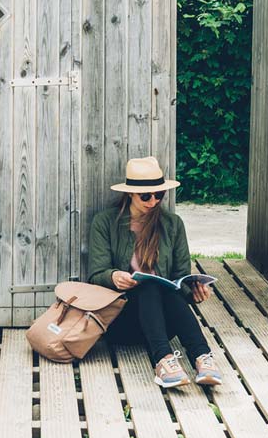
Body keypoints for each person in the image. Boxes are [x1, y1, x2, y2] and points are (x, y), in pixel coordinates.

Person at [85, 156, 223, 389]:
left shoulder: (172, 224)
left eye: (159, 195)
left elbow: (181, 279)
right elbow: (95, 274)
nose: (153, 201)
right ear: (130, 193)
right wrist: (113, 277)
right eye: (146, 196)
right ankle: (164, 361)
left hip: (163, 322)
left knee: (164, 288)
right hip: (120, 321)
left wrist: (195, 293)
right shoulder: (105, 222)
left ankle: (202, 358)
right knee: (148, 286)